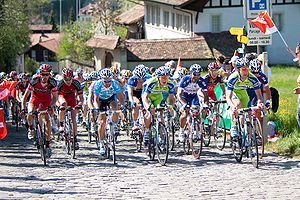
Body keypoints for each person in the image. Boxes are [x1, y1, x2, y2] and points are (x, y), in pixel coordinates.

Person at [21, 64, 58, 158]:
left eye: (47, 74)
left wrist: (51, 106)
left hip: (46, 101)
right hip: (34, 100)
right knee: (30, 113)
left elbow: (55, 98)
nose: (44, 76)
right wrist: (22, 108)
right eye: (43, 74)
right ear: (40, 74)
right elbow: (25, 97)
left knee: (47, 121)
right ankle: (31, 128)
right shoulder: (34, 81)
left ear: (50, 74)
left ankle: (48, 144)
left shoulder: (52, 82)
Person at [226, 58, 264, 139]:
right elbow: (228, 97)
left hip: (243, 93)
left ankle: (247, 139)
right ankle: (234, 127)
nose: (246, 72)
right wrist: (233, 107)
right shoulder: (233, 78)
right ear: (238, 70)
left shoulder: (253, 78)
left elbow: (259, 95)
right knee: (237, 105)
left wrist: (260, 103)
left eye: (247, 69)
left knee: (248, 113)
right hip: (234, 93)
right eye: (243, 69)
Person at [142, 66, 176, 145]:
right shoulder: (152, 82)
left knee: (161, 114)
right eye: (163, 77)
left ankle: (163, 136)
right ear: (158, 77)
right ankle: (147, 132)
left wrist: (170, 106)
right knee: (149, 114)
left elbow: (171, 98)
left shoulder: (170, 84)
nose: (165, 79)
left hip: (158, 96)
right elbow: (145, 97)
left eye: (167, 77)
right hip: (148, 96)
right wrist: (148, 107)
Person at [94, 68, 124, 155]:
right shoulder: (98, 84)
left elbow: (120, 97)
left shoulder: (114, 83)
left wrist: (122, 105)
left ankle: (114, 125)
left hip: (111, 98)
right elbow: (95, 100)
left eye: (109, 81)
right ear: (101, 79)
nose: (107, 83)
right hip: (101, 100)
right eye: (105, 81)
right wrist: (97, 109)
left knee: (115, 108)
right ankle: (101, 143)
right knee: (102, 122)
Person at [176, 64, 209, 142]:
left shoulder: (201, 81)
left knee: (197, 113)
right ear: (190, 73)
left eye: (198, 74)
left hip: (194, 97)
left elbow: (206, 95)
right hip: (183, 97)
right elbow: (179, 95)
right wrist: (184, 104)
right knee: (185, 113)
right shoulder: (185, 79)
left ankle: (198, 131)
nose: (196, 76)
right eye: (195, 74)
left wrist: (205, 104)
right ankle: (181, 131)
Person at [57, 67, 83, 150]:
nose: (68, 81)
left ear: (72, 77)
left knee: (73, 119)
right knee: (63, 105)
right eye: (66, 79)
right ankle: (61, 125)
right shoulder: (60, 84)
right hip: (63, 97)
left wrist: (80, 104)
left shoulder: (76, 83)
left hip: (72, 99)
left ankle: (75, 140)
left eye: (69, 79)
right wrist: (59, 105)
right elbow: (56, 97)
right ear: (63, 77)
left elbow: (81, 97)